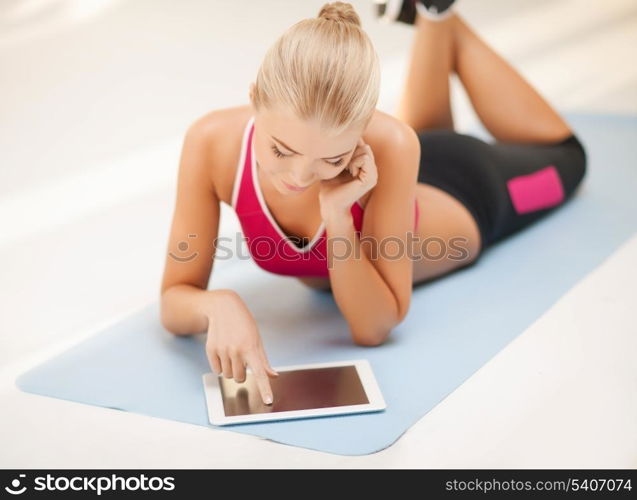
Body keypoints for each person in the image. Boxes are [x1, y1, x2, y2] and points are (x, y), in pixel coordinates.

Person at [159, 1, 587, 406]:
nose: (299, 177)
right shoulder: (211, 143)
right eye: (281, 151)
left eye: (331, 160)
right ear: (255, 99)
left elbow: (373, 327)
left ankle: (445, 20)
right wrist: (218, 304)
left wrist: (339, 218)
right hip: (404, 173)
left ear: (364, 129)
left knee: (569, 158)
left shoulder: (393, 144)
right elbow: (174, 298)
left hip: (471, 189)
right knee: (419, 136)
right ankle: (436, 15)